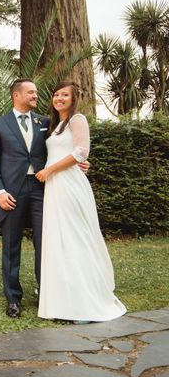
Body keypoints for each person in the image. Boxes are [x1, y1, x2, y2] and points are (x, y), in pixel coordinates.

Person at [35, 81, 126, 322]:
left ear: (74, 99)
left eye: (65, 95)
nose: (59, 98)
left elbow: (80, 153)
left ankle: (86, 302)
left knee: (75, 236)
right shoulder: (55, 126)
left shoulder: (78, 120)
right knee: (59, 240)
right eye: (56, 94)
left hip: (68, 184)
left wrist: (50, 170)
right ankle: (64, 300)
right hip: (55, 187)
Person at [0, 79, 49, 318]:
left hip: (42, 189)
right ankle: (13, 299)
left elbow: (59, 148)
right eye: (31, 92)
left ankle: (46, 295)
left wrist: (80, 160)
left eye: (36, 92)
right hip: (11, 192)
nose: (35, 95)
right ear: (16, 95)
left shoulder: (44, 122)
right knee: (11, 248)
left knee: (45, 246)